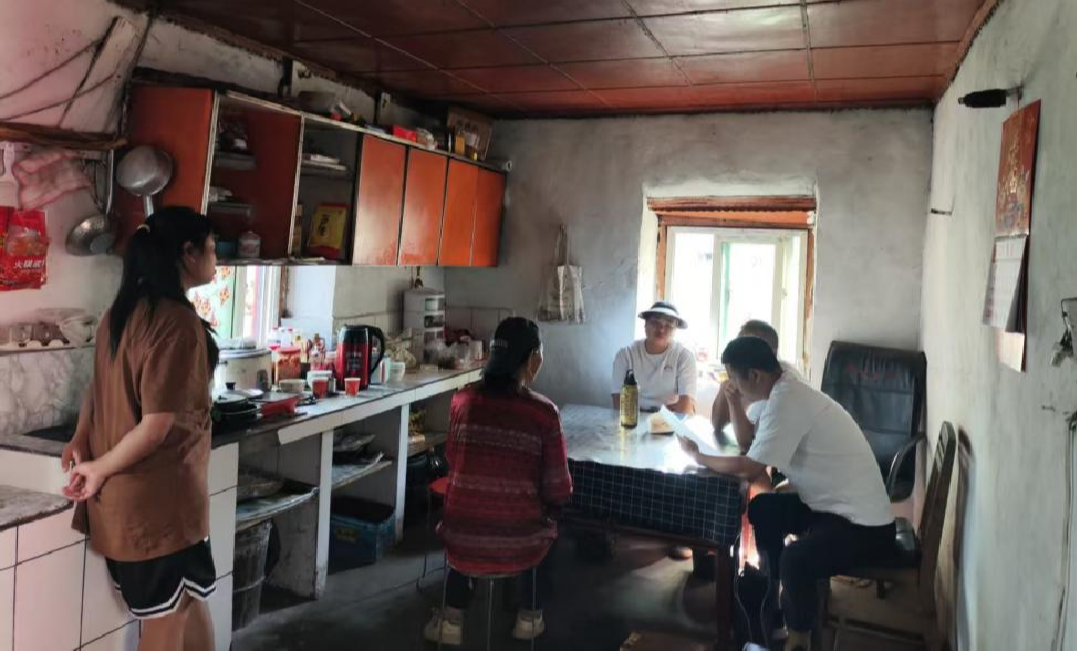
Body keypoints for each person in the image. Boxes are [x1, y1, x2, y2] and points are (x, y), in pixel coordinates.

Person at [62, 207, 220, 651]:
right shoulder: (176, 322)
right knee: (167, 624)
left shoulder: (120, 313)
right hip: (160, 510)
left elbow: (96, 388)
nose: (216, 258)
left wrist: (81, 438)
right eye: (212, 248)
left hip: (134, 511)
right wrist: (96, 468)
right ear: (188, 253)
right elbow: (156, 427)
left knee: (190, 605)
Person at [679, 337, 895, 651]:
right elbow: (749, 442)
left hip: (865, 526)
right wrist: (735, 402)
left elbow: (749, 468)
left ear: (755, 375)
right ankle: (774, 586)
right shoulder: (781, 384)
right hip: (828, 507)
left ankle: (798, 640)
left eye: (735, 379)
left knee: (797, 559)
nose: (733, 386)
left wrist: (698, 456)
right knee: (764, 508)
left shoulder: (787, 401)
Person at [426, 317, 573, 646]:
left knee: (471, 517)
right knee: (551, 525)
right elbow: (559, 489)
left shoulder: (462, 401)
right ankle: (529, 618)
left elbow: (453, 459)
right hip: (521, 543)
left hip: (460, 538)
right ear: (533, 358)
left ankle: (451, 620)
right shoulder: (543, 413)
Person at [712, 320, 803, 452]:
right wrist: (728, 385)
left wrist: (698, 456)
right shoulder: (747, 375)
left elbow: (748, 443)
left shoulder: (781, 386)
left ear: (770, 353)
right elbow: (717, 425)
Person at [611, 300, 697, 414]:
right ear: (645, 324)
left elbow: (686, 407)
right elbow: (618, 401)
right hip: (632, 418)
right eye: (655, 322)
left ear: (675, 329)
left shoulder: (684, 357)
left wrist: (660, 416)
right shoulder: (625, 355)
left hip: (668, 420)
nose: (661, 329)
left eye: (669, 324)